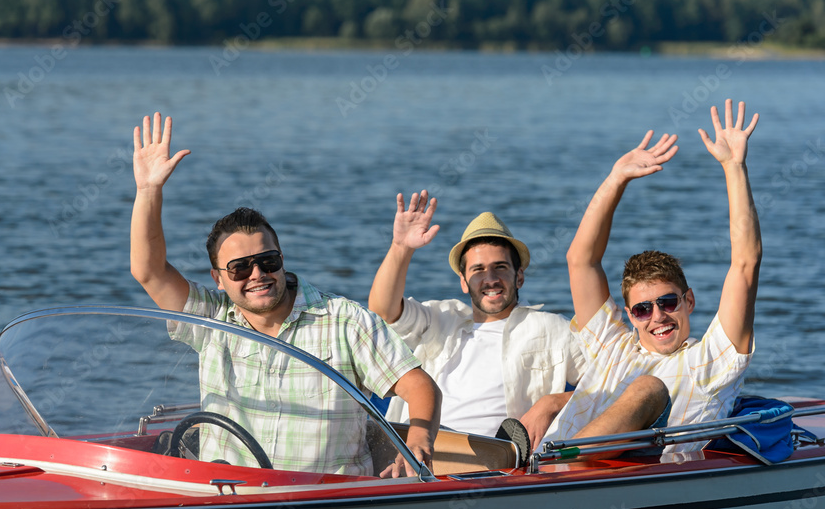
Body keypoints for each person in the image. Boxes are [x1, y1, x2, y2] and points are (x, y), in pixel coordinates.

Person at [129, 112, 441, 476]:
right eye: (240, 268)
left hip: (328, 503)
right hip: (230, 496)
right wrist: (149, 191)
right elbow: (148, 271)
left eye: (268, 260)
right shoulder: (210, 318)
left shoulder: (344, 320)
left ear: (282, 259)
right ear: (218, 278)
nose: (258, 275)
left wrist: (419, 437)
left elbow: (419, 385)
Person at [542, 99, 760, 453]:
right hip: (532, 475)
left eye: (668, 302)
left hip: (604, 480)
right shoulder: (613, 346)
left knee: (649, 387)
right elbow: (581, 261)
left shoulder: (711, 360)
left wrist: (735, 167)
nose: (657, 316)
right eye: (643, 309)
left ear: (688, 301)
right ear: (630, 316)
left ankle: (561, 462)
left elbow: (745, 264)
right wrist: (616, 178)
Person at [368, 192, 586, 450]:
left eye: (501, 267)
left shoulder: (553, 329)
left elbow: (610, 383)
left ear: (520, 277)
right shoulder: (440, 319)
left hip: (500, 461)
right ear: (463, 281)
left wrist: (552, 403)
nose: (490, 278)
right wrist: (401, 247)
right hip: (422, 453)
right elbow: (382, 311)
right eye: (478, 270)